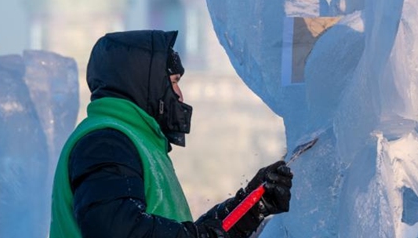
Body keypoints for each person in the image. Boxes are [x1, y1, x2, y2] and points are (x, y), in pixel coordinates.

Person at [50, 30, 293, 238]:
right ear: (146, 82)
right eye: (174, 81)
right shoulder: (106, 142)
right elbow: (118, 230)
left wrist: (252, 204)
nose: (179, 95)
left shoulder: (135, 141)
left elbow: (186, 232)